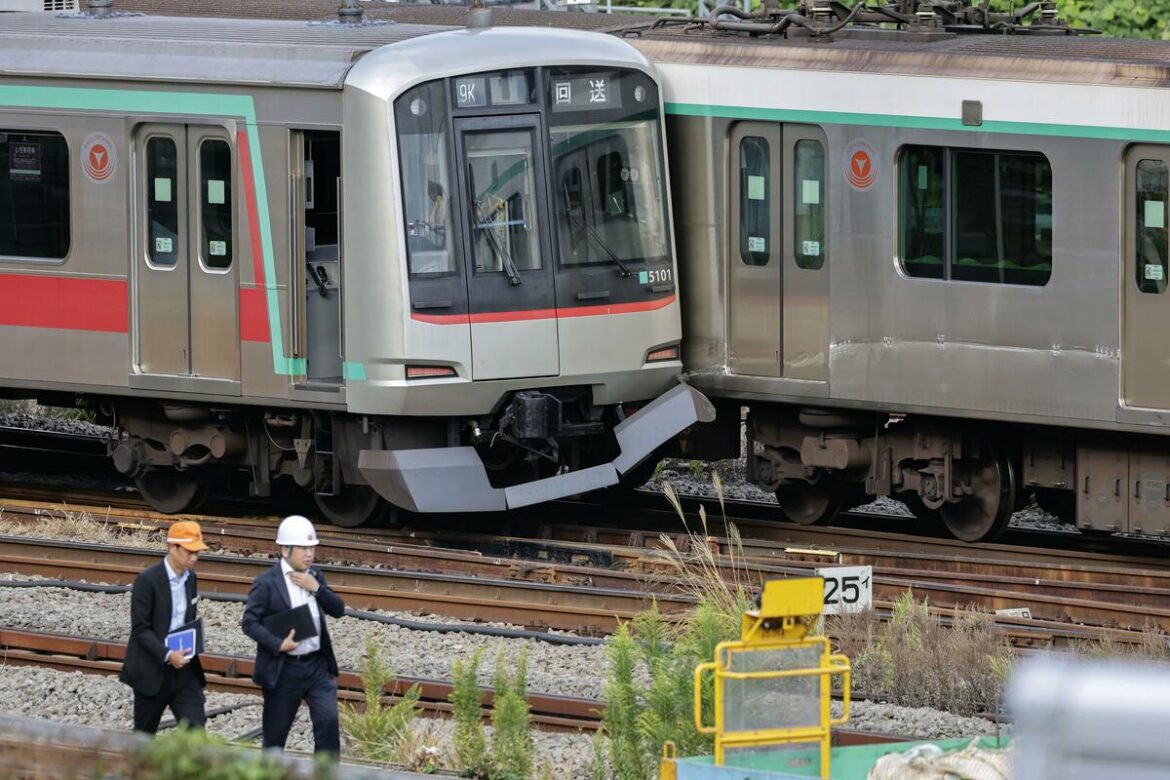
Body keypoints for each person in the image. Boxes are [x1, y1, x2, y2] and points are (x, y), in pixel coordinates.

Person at [241, 514, 346, 757]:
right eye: (303, 548)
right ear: (285, 549)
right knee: (275, 738)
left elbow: (338, 610)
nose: (309, 554)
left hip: (317, 666)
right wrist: (278, 644)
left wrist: (316, 588)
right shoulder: (266, 582)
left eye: (312, 548)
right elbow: (249, 623)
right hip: (284, 669)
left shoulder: (315, 576)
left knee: (328, 722)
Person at [119, 520, 209, 734]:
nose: (194, 558)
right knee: (144, 736)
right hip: (152, 670)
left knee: (196, 733)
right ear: (172, 547)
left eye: (197, 553)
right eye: (189, 552)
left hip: (185, 670)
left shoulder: (191, 578)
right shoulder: (147, 581)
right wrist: (168, 654)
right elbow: (140, 629)